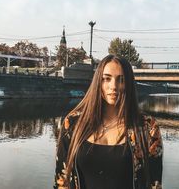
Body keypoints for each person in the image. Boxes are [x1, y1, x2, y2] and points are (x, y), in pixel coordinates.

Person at [54, 55, 163, 189]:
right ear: (98, 82)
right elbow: (61, 180)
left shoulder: (147, 128)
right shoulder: (72, 123)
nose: (113, 86)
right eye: (107, 79)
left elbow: (155, 184)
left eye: (121, 80)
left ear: (128, 83)